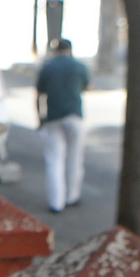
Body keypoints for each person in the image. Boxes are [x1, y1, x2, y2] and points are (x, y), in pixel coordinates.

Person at [35, 38, 90, 214]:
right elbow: (87, 86)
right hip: (74, 116)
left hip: (53, 117)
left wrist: (40, 118)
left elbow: (38, 95)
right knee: (75, 158)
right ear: (70, 50)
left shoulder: (48, 67)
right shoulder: (79, 66)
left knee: (54, 160)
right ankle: (72, 197)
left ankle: (56, 202)